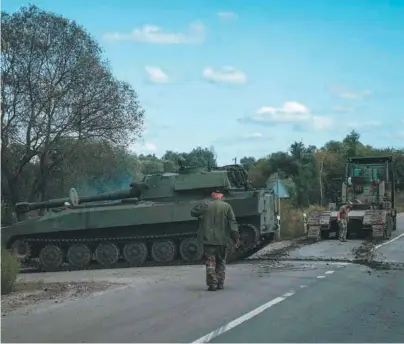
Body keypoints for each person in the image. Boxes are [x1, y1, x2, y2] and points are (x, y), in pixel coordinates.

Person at [190, 191, 240, 291]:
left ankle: (213, 283)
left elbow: (193, 212)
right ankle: (220, 283)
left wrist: (203, 204)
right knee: (221, 261)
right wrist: (236, 238)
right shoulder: (226, 206)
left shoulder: (206, 204)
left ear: (212, 196)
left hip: (208, 240)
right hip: (222, 240)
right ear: (221, 196)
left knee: (210, 262)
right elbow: (233, 224)